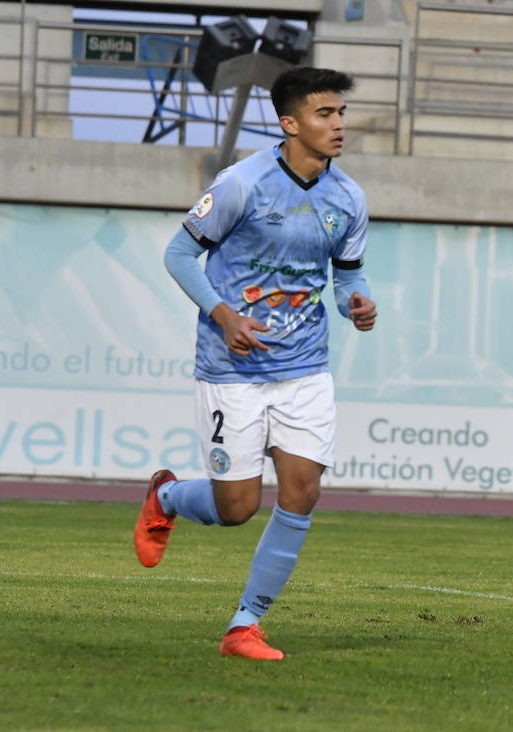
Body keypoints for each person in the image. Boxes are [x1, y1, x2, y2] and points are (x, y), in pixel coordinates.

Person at [134, 66, 377, 660]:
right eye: (325, 114)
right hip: (231, 369)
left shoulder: (348, 198)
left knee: (302, 493)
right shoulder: (242, 184)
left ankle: (245, 625)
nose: (338, 123)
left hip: (305, 368)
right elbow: (180, 252)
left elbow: (348, 276)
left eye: (341, 112)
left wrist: (356, 304)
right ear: (289, 123)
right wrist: (224, 315)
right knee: (237, 508)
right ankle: (166, 498)